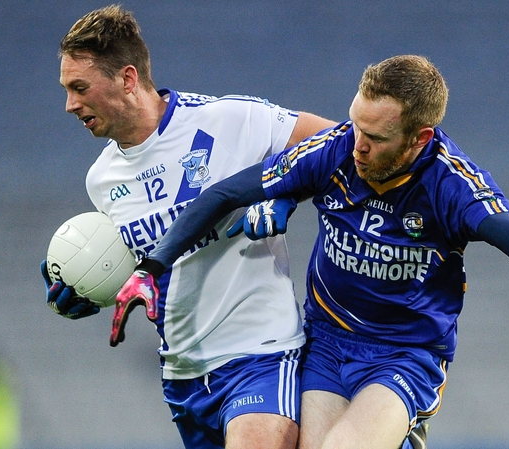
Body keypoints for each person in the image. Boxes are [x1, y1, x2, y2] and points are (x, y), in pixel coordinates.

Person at [112, 54, 509, 449]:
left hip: (405, 353)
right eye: (356, 125)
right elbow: (222, 195)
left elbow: (506, 226)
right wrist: (151, 267)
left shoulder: (449, 183)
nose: (357, 145)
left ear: (419, 138)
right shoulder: (337, 149)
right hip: (328, 342)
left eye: (376, 137)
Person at [40, 5, 336, 449]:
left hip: (260, 351)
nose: (69, 105)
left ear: (127, 78)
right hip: (184, 375)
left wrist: (283, 193)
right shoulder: (101, 180)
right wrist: (85, 286)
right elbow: (145, 261)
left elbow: (343, 145)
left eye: (79, 88)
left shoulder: (231, 120)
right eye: (66, 90)